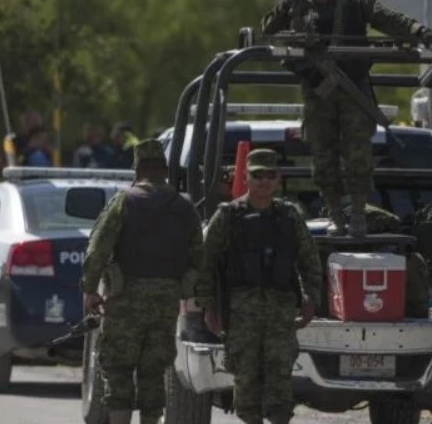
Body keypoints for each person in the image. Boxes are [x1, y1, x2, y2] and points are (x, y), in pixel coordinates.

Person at [261, 0, 432, 237]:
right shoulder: (295, 7)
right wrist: (288, 7)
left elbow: (387, 18)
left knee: (357, 154)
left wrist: (419, 32)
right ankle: (335, 215)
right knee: (323, 156)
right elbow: (267, 30)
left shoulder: (355, 3)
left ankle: (357, 213)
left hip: (352, 87)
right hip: (318, 93)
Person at [80, 139, 203, 424]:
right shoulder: (185, 207)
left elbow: (97, 248)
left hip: (125, 299)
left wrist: (90, 290)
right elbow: (199, 257)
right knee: (153, 371)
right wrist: (183, 287)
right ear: (165, 170)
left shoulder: (124, 201)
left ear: (137, 168)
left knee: (119, 369)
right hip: (166, 301)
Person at [196, 149, 321, 424]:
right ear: (245, 177)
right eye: (257, 175)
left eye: (270, 175)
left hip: (280, 314)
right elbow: (206, 261)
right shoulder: (228, 216)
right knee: (246, 385)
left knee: (280, 385)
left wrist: (311, 298)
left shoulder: (290, 216)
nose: (264, 181)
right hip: (241, 315)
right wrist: (208, 306)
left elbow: (309, 259)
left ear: (279, 179)